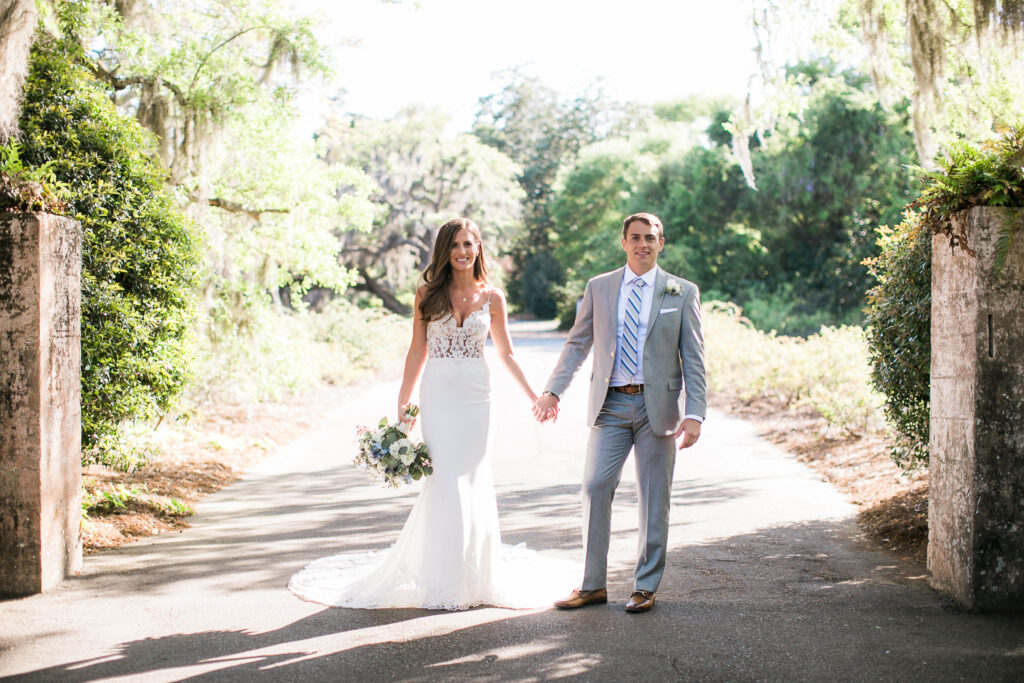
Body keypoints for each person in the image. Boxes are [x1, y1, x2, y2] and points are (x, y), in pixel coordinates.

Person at [289, 217, 576, 610]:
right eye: (455, 245)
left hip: (477, 397)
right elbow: (416, 350)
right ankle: (442, 576)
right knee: (443, 479)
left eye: (469, 245)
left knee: (473, 480)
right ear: (445, 250)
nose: (462, 252)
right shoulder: (427, 293)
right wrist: (403, 403)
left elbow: (506, 353)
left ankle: (477, 573)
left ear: (478, 249)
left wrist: (536, 396)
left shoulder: (493, 297)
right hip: (438, 395)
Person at [532, 212, 707, 613]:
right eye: (635, 237)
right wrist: (553, 391)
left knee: (653, 499)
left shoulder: (681, 292)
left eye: (650, 238)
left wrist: (695, 412)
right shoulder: (600, 287)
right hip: (610, 404)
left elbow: (694, 358)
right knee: (595, 487)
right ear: (623, 242)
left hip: (657, 409)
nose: (642, 244)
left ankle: (645, 585)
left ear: (662, 243)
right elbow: (577, 344)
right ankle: (593, 585)